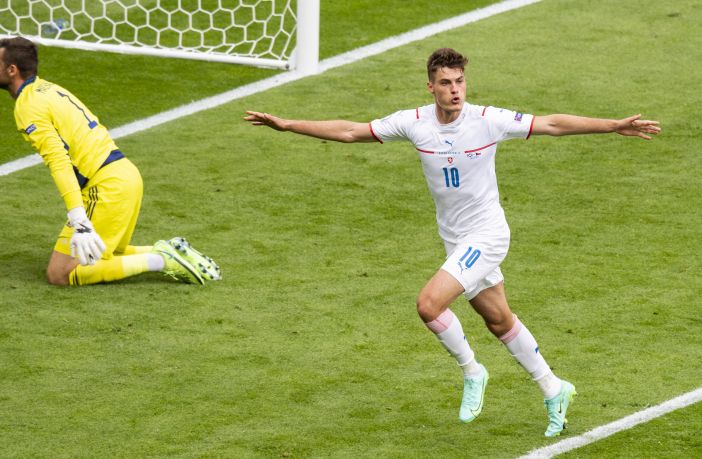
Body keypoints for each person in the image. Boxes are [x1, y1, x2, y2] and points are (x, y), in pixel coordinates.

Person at [245, 47, 660, 436]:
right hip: (456, 240)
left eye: (460, 81)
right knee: (498, 320)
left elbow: (550, 124)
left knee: (429, 305)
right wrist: (288, 125)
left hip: (488, 236)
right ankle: (554, 388)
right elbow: (352, 132)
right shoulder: (413, 123)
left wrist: (613, 125)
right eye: (446, 83)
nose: (455, 90)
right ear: (431, 87)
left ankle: (472, 371)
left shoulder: (488, 120)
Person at [0, 37, 221, 286]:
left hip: (106, 187)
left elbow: (59, 161)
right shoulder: (48, 89)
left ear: (12, 70)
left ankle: (161, 260)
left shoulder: (28, 105)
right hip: (124, 176)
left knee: (60, 273)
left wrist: (79, 220)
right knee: (107, 252)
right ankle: (170, 249)